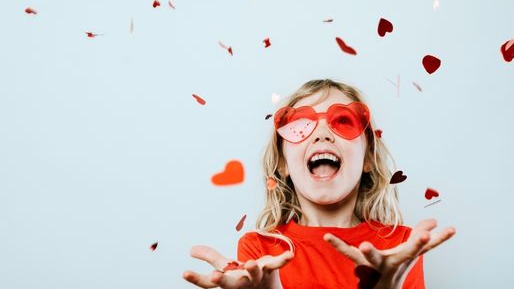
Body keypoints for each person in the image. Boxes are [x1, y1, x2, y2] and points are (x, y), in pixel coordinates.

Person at [183, 79, 455, 288]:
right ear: (283, 164)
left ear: (368, 159)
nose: (322, 134)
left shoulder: (400, 246)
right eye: (301, 125)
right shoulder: (262, 249)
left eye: (343, 121)